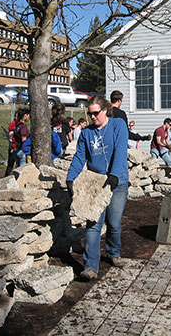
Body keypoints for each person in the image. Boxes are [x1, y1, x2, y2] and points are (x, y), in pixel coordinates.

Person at [66, 96, 129, 281]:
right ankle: (90, 266)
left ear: (105, 110)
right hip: (96, 184)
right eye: (90, 113)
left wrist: (115, 174)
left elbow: (120, 150)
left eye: (96, 113)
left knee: (114, 222)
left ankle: (113, 252)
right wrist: (71, 178)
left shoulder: (118, 125)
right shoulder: (87, 133)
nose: (93, 117)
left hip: (118, 182)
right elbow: (79, 157)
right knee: (93, 226)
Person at [5, 108, 23, 176]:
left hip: (18, 147)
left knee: (18, 164)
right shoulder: (13, 125)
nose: (16, 118)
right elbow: (12, 136)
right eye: (15, 116)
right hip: (13, 147)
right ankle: (7, 176)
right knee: (11, 164)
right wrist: (12, 147)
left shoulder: (20, 125)